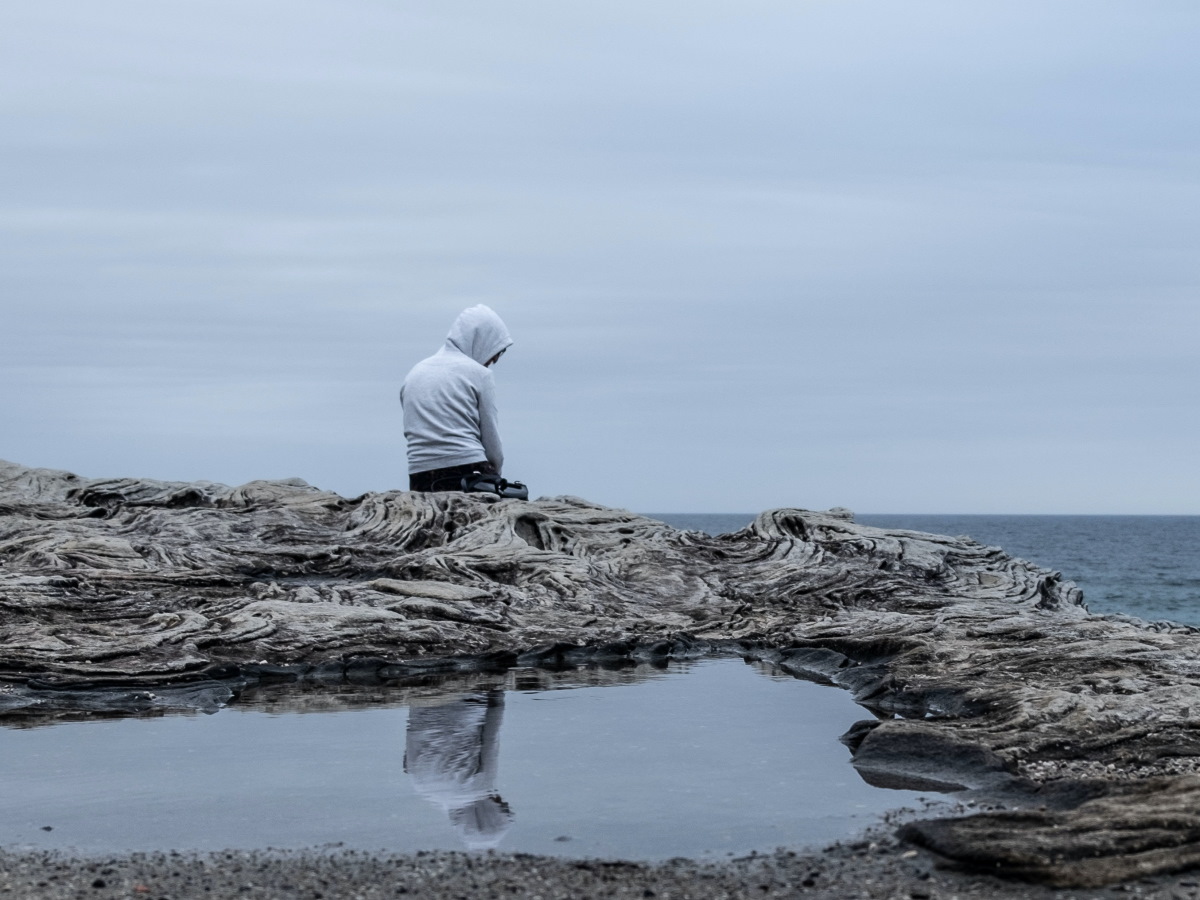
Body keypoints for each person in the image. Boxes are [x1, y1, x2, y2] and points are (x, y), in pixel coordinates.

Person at [400, 304, 513, 492]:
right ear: (481, 340)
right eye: (496, 351)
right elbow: (492, 445)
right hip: (468, 472)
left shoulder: (414, 373)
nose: (494, 360)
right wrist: (495, 476)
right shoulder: (479, 374)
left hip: (419, 477)